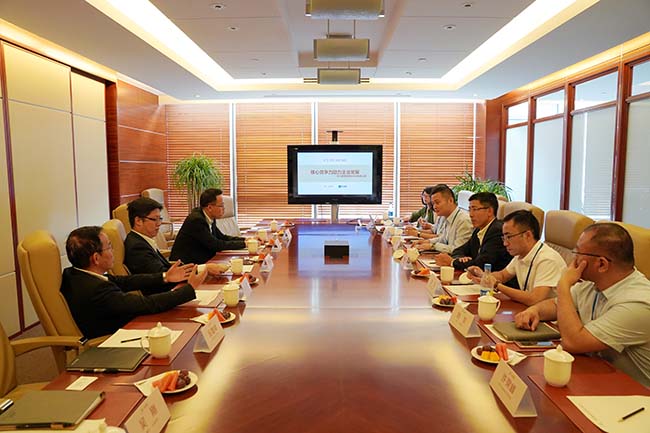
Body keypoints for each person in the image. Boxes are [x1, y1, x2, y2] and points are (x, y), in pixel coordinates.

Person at [515, 223, 650, 387]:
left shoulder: (638, 303)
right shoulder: (593, 283)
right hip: (598, 375)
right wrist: (534, 310)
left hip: (634, 393)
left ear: (602, 264)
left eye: (578, 252)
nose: (573, 260)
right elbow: (557, 305)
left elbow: (573, 342)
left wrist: (563, 285)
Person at [61, 226, 206, 339]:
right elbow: (146, 304)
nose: (113, 251)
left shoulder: (74, 273)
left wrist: (165, 277)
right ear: (96, 258)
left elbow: (125, 281)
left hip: (127, 327)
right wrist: (189, 289)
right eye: (109, 247)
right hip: (116, 341)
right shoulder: (96, 289)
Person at [466, 210, 566, 306]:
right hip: (529, 310)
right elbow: (503, 275)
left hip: (551, 316)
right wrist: (483, 276)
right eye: (504, 238)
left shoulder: (547, 259)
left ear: (527, 235)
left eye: (509, 237)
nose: (505, 243)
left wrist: (496, 285)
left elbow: (535, 299)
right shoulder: (520, 254)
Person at [124, 197, 228, 275]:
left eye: (160, 219)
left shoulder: (143, 240)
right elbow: (162, 275)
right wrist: (203, 269)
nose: (159, 223)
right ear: (138, 221)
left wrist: (203, 268)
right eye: (154, 219)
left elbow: (165, 269)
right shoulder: (137, 247)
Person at [435, 192, 511, 272]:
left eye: (475, 209)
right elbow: (459, 250)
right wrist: (460, 258)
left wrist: (452, 262)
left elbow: (481, 264)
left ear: (489, 211)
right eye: (469, 210)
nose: (471, 214)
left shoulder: (498, 231)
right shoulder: (478, 229)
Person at [170, 188, 247, 264]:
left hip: (202, 260)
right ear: (210, 207)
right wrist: (244, 244)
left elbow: (222, 237)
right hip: (185, 265)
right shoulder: (196, 220)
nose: (224, 209)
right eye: (221, 205)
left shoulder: (209, 217)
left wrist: (245, 240)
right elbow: (216, 245)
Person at [411, 184, 472, 253]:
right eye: (433, 203)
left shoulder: (463, 220)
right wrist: (427, 241)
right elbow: (443, 239)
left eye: (437, 202)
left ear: (450, 200)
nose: (434, 207)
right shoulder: (446, 216)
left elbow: (457, 249)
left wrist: (432, 246)